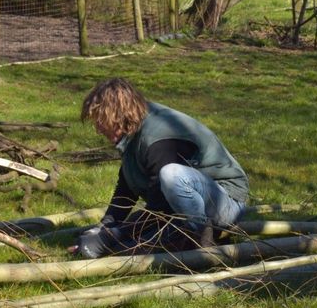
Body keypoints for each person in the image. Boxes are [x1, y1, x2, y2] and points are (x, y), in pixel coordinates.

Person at [75, 78, 249, 258]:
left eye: (101, 121)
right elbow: (126, 189)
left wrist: (113, 237)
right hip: (189, 203)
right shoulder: (134, 128)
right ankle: (186, 234)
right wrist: (103, 229)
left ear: (119, 115)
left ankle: (197, 238)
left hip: (225, 201)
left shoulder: (158, 140)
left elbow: (160, 211)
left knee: (171, 175)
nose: (98, 129)